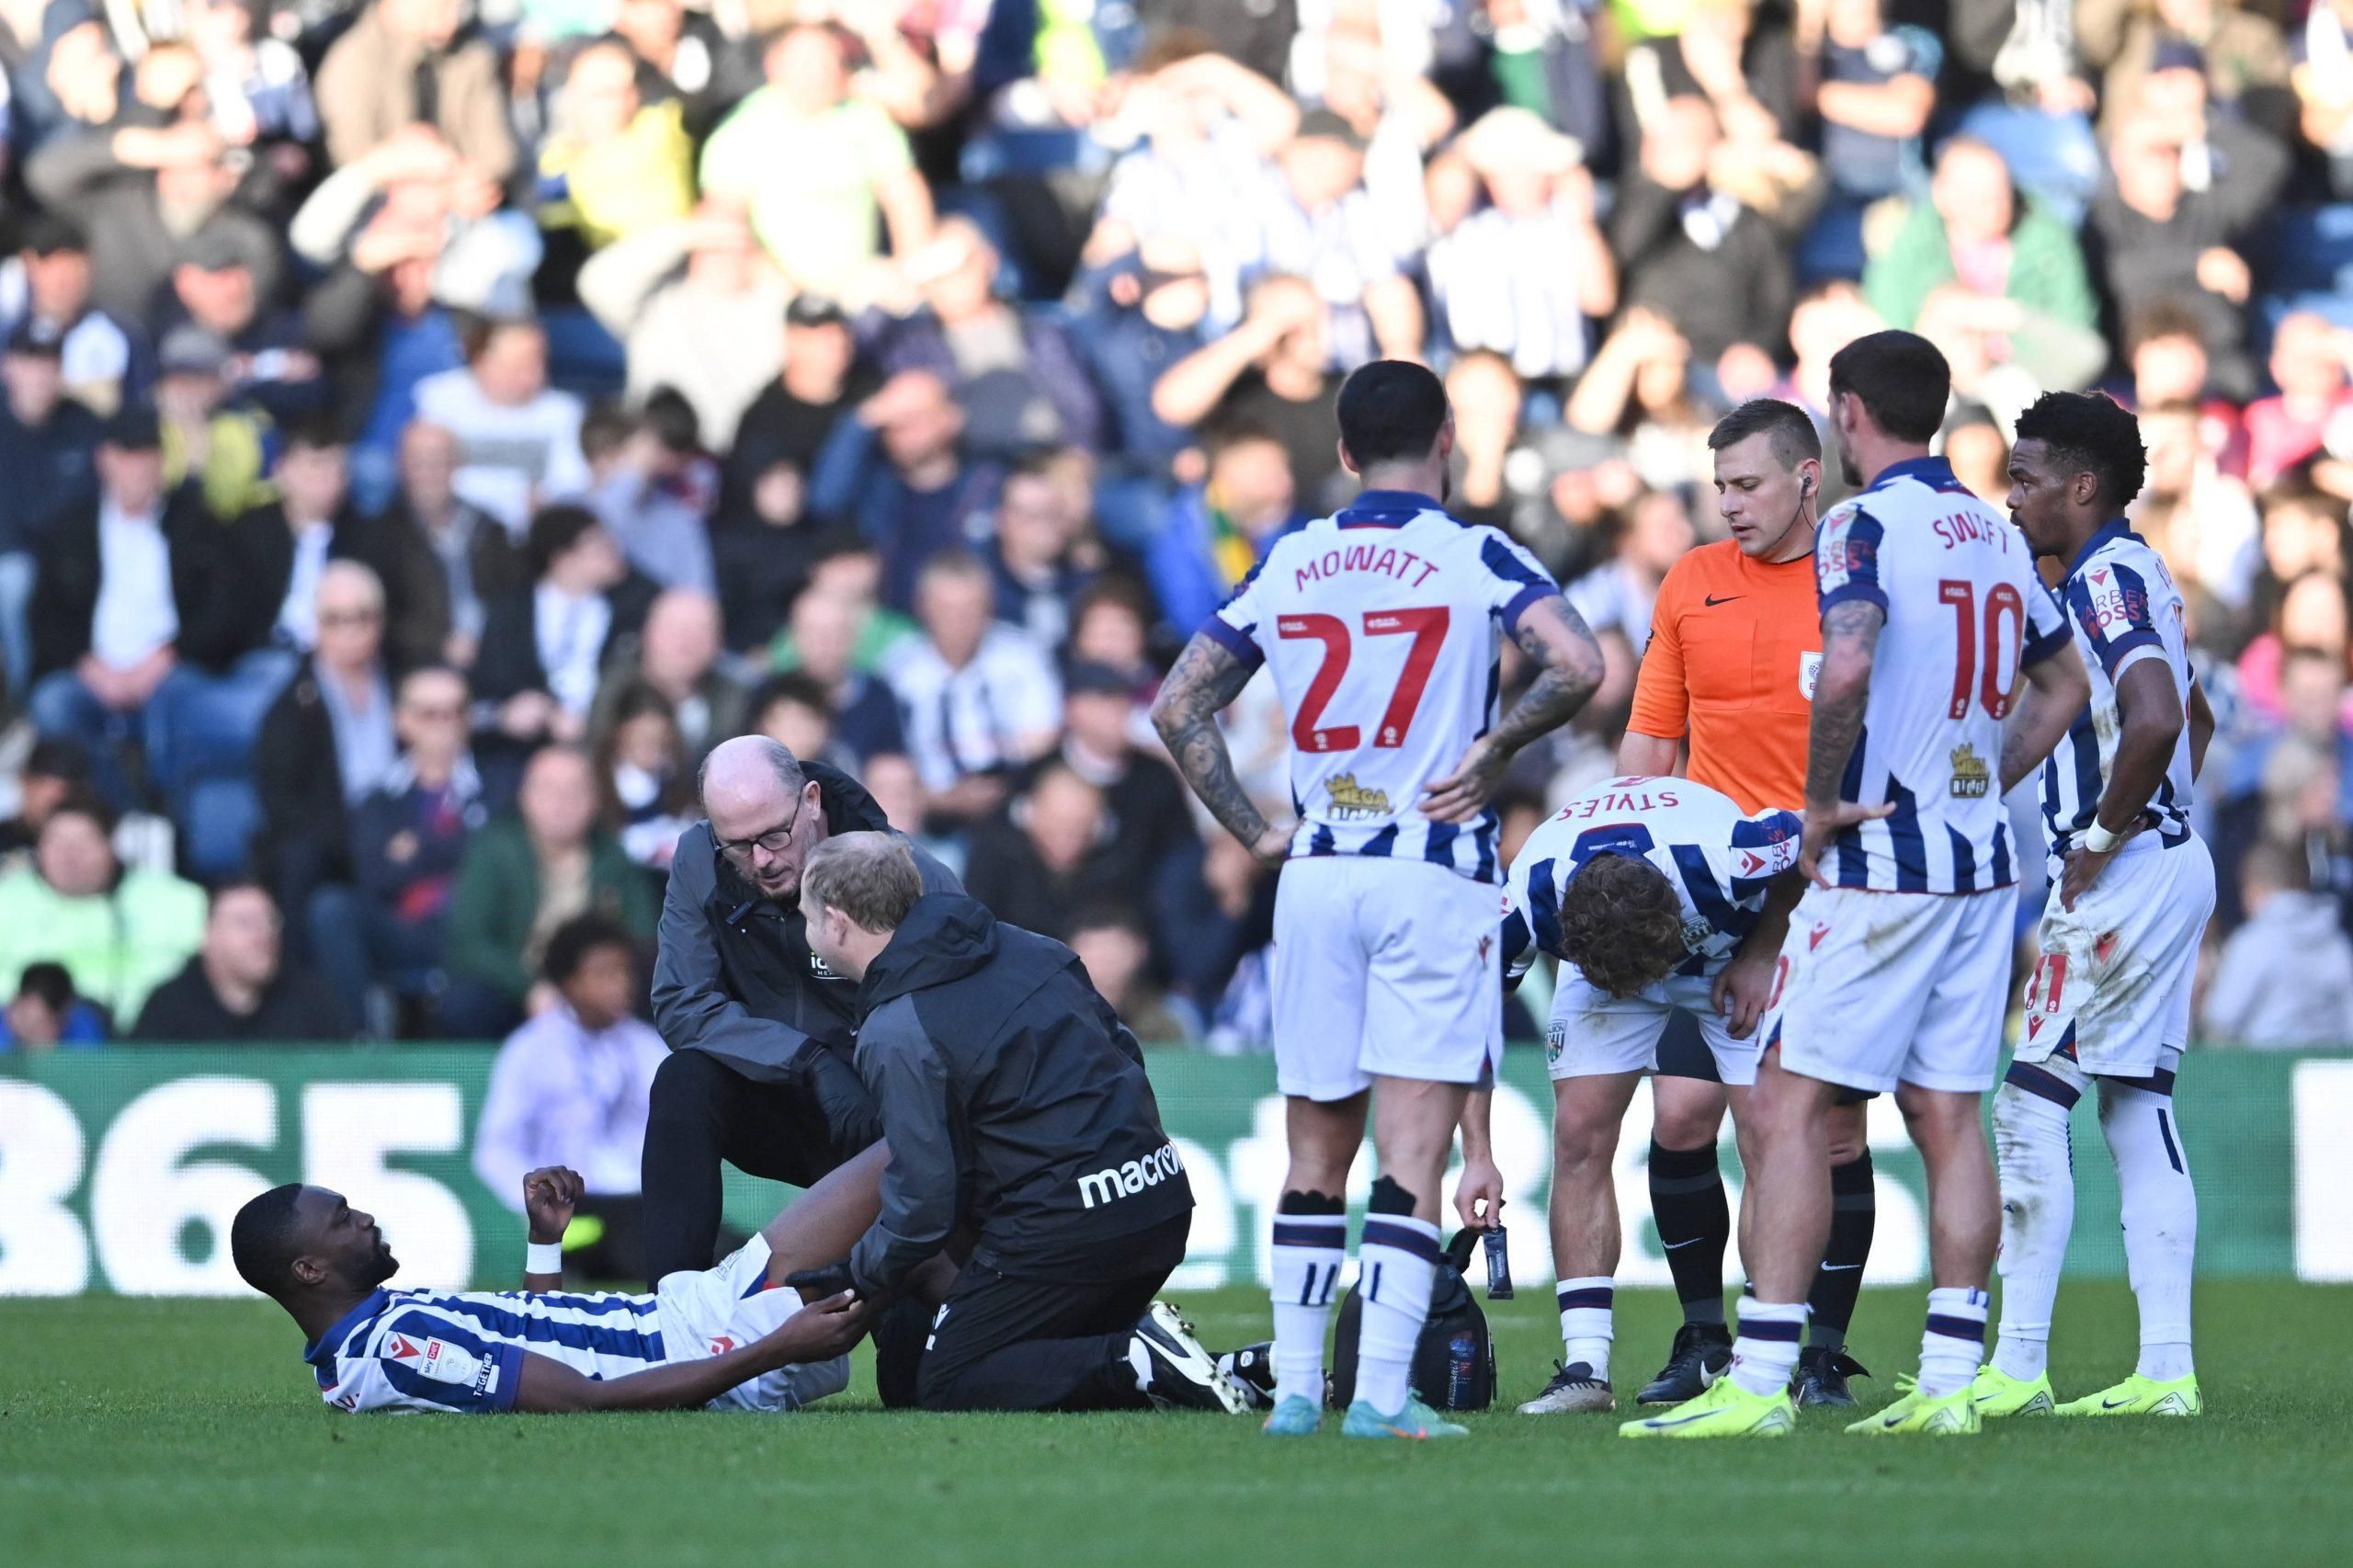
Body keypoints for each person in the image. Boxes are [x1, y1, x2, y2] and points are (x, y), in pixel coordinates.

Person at [1625, 332, 2090, 1440]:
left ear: (1845, 411)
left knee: (1784, 1103)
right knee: (1944, 1113)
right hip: (1979, 867)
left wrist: (1822, 801)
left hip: (1881, 866)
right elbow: (2063, 679)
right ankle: (1943, 1382)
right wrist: (1980, 780)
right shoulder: (1991, 526)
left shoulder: (1860, 523)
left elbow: (1846, 658)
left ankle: (1760, 1377)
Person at [1152, 359, 1604, 1439]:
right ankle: (1385, 1396)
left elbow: (1179, 703)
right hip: (1428, 868)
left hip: (1315, 871)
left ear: (1344, 452)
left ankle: (1299, 1390)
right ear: (1447, 438)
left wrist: (1256, 830)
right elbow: (1578, 663)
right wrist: (1495, 746)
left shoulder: (1294, 557)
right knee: (1411, 1149)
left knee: (1314, 1152)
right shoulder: (1473, 551)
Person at [1602, 399, 1883, 1411]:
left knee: (1816, 1133)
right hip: (1713, 896)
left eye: (1748, 484)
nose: (1728, 504)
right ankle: (1701, 1335)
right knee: (1679, 1115)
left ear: (1809, 476)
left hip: (1835, 891)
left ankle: (1821, 1346)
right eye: (1719, 486)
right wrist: (1623, 851)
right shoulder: (1690, 581)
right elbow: (1650, 736)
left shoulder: (1855, 583)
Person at [792, 832, 1244, 1414]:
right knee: (968, 1366)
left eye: (805, 919)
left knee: (946, 1382)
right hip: (1159, 1207)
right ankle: (1232, 1370)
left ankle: (1134, 1359)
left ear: (836, 921)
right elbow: (1124, 1056)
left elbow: (923, 1200)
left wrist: (849, 1277)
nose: (806, 934)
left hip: (1068, 1231)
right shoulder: (1032, 948)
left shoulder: (897, 1027)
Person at [1976, 392, 2218, 1421]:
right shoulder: (2136, 568)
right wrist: (2164, 828)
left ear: (2082, 486)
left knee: (2030, 1103)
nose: (2012, 492)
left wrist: (2101, 836)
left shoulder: (2103, 577)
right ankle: (2164, 1369)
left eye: (2027, 476)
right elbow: (2193, 710)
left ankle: (2017, 1364)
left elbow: (2159, 715)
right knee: (2136, 1107)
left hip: (2123, 874)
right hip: (2166, 861)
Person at [1498, 776, 1806, 1417]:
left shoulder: (1726, 856)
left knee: (1771, 1136)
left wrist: (1765, 948)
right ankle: (1585, 1368)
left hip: (1724, 954)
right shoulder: (1530, 894)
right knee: (1578, 1132)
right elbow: (1464, 1022)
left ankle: (1759, 1360)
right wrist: (1476, 1145)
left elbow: (1817, 840)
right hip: (1603, 959)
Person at [642, 737, 962, 1282]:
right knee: (683, 1081)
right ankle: (670, 1313)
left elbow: (957, 1022)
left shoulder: (906, 872)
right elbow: (680, 1003)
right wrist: (808, 1060)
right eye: (738, 845)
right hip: (783, 1091)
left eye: (774, 835)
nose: (762, 861)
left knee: (909, 1323)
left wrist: (876, 1083)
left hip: (889, 1112)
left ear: (811, 800)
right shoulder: (699, 858)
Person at [230, 1149, 883, 1414]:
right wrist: (777, 1348)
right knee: (907, 1168)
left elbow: (542, 1346)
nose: (366, 1218)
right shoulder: (395, 1350)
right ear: (308, 1270)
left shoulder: (371, 1333)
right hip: (702, 1347)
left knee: (910, 1178)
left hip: (687, 1315)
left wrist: (545, 1243)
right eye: (343, 1221)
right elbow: (582, 1400)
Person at [472, 915, 667, 1282]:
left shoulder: (647, 1046)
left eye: (625, 972)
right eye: (604, 973)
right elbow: (494, 1149)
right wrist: (539, 1204)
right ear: (569, 982)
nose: (621, 984)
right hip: (573, 1207)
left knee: (722, 1246)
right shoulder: (532, 1048)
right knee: (658, 1250)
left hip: (640, 1202)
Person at [441, 744, 658, 1040]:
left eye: (574, 790)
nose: (561, 802)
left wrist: (596, 984)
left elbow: (641, 938)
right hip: (515, 987)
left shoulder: (613, 857)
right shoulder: (494, 849)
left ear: (594, 800)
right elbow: (470, 941)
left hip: (595, 989)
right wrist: (529, 986)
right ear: (524, 797)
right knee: (466, 1002)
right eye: (548, 789)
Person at [0, 796, 206, 1028]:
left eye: (83, 843)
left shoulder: (179, 902)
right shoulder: (6, 901)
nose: (70, 856)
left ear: (111, 845)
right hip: (22, 1052)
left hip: (149, 1046)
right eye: (57, 842)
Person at [130, 881, 351, 1043]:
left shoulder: (310, 1000)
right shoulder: (169, 1007)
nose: (263, 934)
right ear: (208, 935)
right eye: (245, 923)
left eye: (270, 921)